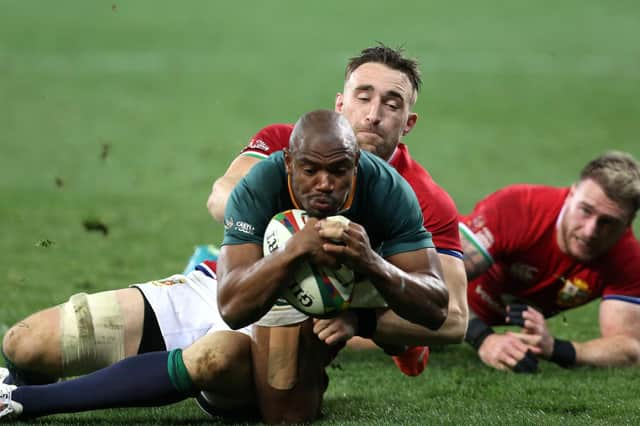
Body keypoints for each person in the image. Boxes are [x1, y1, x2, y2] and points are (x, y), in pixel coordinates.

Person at [1, 44, 467, 386]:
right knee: (26, 343)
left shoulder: (422, 199)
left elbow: (452, 319)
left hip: (288, 334)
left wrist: (358, 317)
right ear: (339, 104)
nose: (373, 114)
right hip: (222, 282)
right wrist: (291, 237)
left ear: (408, 123)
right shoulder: (286, 144)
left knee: (218, 361)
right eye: (363, 97)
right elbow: (221, 196)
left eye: (392, 103)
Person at [459, 151, 640, 373]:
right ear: (571, 194)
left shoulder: (628, 259)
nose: (590, 231)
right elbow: (435, 279)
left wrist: (554, 348)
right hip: (428, 305)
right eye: (586, 210)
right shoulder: (518, 208)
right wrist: (483, 339)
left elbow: (630, 347)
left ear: (628, 223)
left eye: (608, 222)